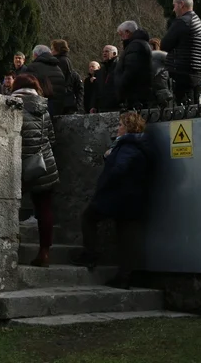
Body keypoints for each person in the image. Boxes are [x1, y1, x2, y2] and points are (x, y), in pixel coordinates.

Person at [73, 111, 154, 289]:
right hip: (132, 199)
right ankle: (124, 277)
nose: (118, 128)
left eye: (121, 125)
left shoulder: (128, 146)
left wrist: (105, 185)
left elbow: (119, 168)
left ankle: (91, 254)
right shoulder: (136, 145)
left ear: (128, 128)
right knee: (126, 239)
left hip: (118, 197)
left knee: (89, 217)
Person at [11, 74, 59, 267]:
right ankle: (44, 252)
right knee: (44, 209)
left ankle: (9, 247)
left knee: (10, 206)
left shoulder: (13, 106)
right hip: (44, 164)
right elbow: (51, 138)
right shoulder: (43, 108)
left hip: (20, 165)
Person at [160, 0, 201, 105]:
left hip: (181, 71)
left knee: (183, 107)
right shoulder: (198, 21)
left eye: (174, 5)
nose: (174, 9)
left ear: (181, 4)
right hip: (196, 71)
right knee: (194, 105)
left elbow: (164, 45)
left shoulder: (182, 22)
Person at [115, 22, 153, 110]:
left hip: (135, 97)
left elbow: (131, 71)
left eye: (121, 35)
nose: (121, 39)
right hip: (136, 95)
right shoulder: (138, 45)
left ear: (127, 32)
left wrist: (121, 88)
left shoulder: (135, 46)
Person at [26, 45, 68, 116]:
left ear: (35, 55)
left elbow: (27, 88)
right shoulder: (58, 69)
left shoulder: (33, 67)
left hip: (39, 109)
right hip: (58, 109)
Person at [51, 39, 83, 115]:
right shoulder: (65, 60)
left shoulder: (60, 61)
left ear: (57, 49)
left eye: (52, 49)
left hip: (62, 100)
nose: (51, 51)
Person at [93, 45, 120, 113]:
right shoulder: (101, 71)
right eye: (103, 52)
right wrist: (94, 106)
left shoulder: (120, 67)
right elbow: (98, 89)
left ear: (114, 53)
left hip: (116, 106)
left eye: (107, 51)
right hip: (102, 107)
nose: (104, 53)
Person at [148, 38, 172, 107]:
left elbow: (152, 73)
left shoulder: (155, 58)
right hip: (164, 89)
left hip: (157, 90)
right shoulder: (162, 57)